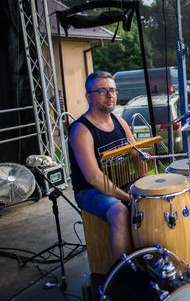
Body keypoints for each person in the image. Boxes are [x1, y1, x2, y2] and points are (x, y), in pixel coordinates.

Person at [68, 71, 144, 259]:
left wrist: (143, 182)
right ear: (88, 97)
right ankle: (123, 273)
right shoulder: (81, 130)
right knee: (119, 212)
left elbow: (137, 153)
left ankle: (147, 258)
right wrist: (127, 197)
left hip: (122, 184)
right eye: (102, 91)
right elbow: (94, 177)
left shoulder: (119, 121)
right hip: (91, 192)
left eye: (112, 90)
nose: (110, 95)